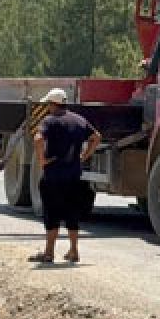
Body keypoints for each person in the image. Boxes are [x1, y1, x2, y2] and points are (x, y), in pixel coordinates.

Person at [30, 88, 101, 264]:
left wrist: (42, 160)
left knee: (52, 214)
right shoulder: (79, 120)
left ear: (53, 104)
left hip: (53, 175)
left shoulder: (49, 121)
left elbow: (38, 139)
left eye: (48, 104)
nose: (47, 107)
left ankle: (49, 253)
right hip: (74, 176)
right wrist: (85, 156)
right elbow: (97, 137)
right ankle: (74, 251)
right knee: (72, 214)